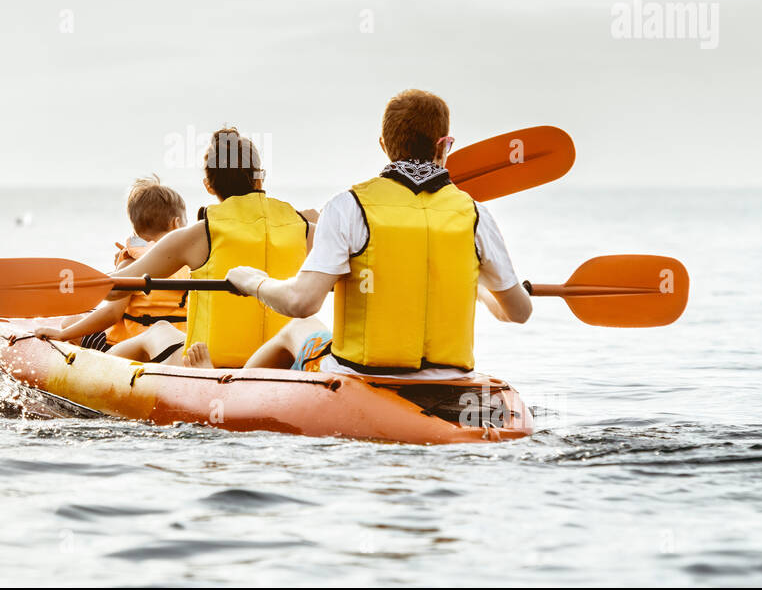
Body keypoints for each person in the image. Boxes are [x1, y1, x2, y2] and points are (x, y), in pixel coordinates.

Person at [194, 90, 532, 377]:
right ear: (445, 145)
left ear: (383, 145)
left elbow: (301, 302)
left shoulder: (350, 206)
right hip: (451, 379)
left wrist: (252, 281)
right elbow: (518, 312)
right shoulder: (475, 214)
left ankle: (224, 386)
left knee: (298, 328)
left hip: (362, 378)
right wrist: (479, 288)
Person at [93, 127, 315, 367]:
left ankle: (93, 369)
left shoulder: (197, 235)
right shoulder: (306, 229)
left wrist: (117, 270)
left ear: (209, 185)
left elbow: (113, 291)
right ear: (260, 177)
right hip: (280, 356)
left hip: (212, 362)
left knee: (160, 329)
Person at [33, 175, 190, 356]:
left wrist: (63, 334)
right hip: (177, 342)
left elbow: (111, 314)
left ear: (135, 228)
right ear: (176, 223)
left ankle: (81, 361)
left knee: (69, 321)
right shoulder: (191, 261)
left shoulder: (132, 260)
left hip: (127, 346)